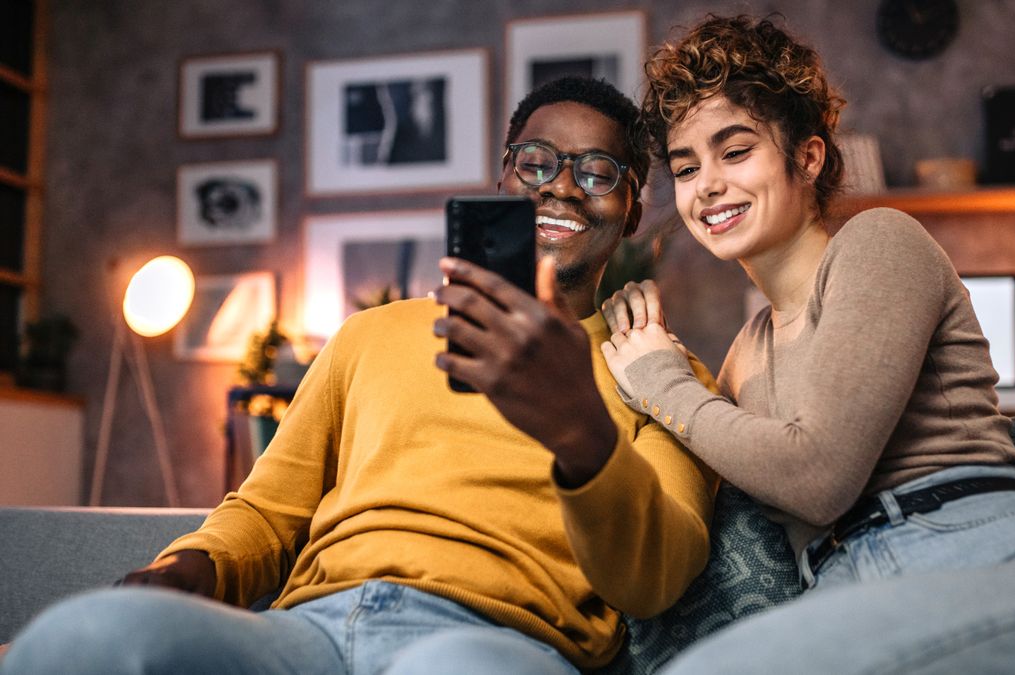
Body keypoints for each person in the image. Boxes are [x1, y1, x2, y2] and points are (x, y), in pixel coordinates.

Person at [0, 77, 718, 675]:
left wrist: (581, 430)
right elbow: (270, 511)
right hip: (308, 629)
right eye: (535, 161)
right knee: (82, 638)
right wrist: (197, 563)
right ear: (502, 177)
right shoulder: (372, 335)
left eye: (597, 172)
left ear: (630, 211)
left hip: (491, 643)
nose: (561, 186)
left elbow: (659, 576)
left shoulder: (662, 373)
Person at [599, 15, 1015, 673]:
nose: (707, 184)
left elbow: (818, 477)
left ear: (808, 156)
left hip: (1003, 556)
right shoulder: (742, 354)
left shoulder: (879, 242)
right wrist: (627, 345)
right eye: (686, 167)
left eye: (735, 151)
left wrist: (661, 380)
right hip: (850, 588)